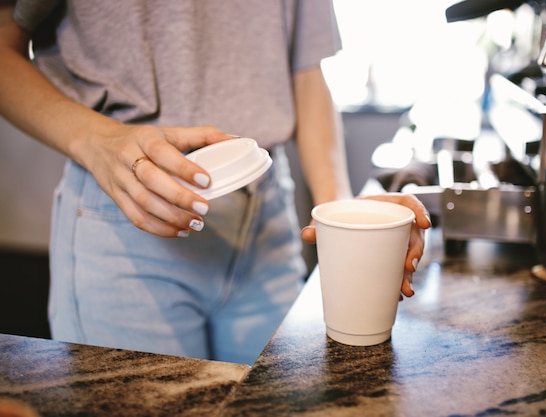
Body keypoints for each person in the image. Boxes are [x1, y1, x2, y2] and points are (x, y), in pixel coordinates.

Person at [0, 0, 431, 365]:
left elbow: (305, 70)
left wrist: (342, 216)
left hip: (267, 226)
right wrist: (97, 140)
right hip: (132, 216)